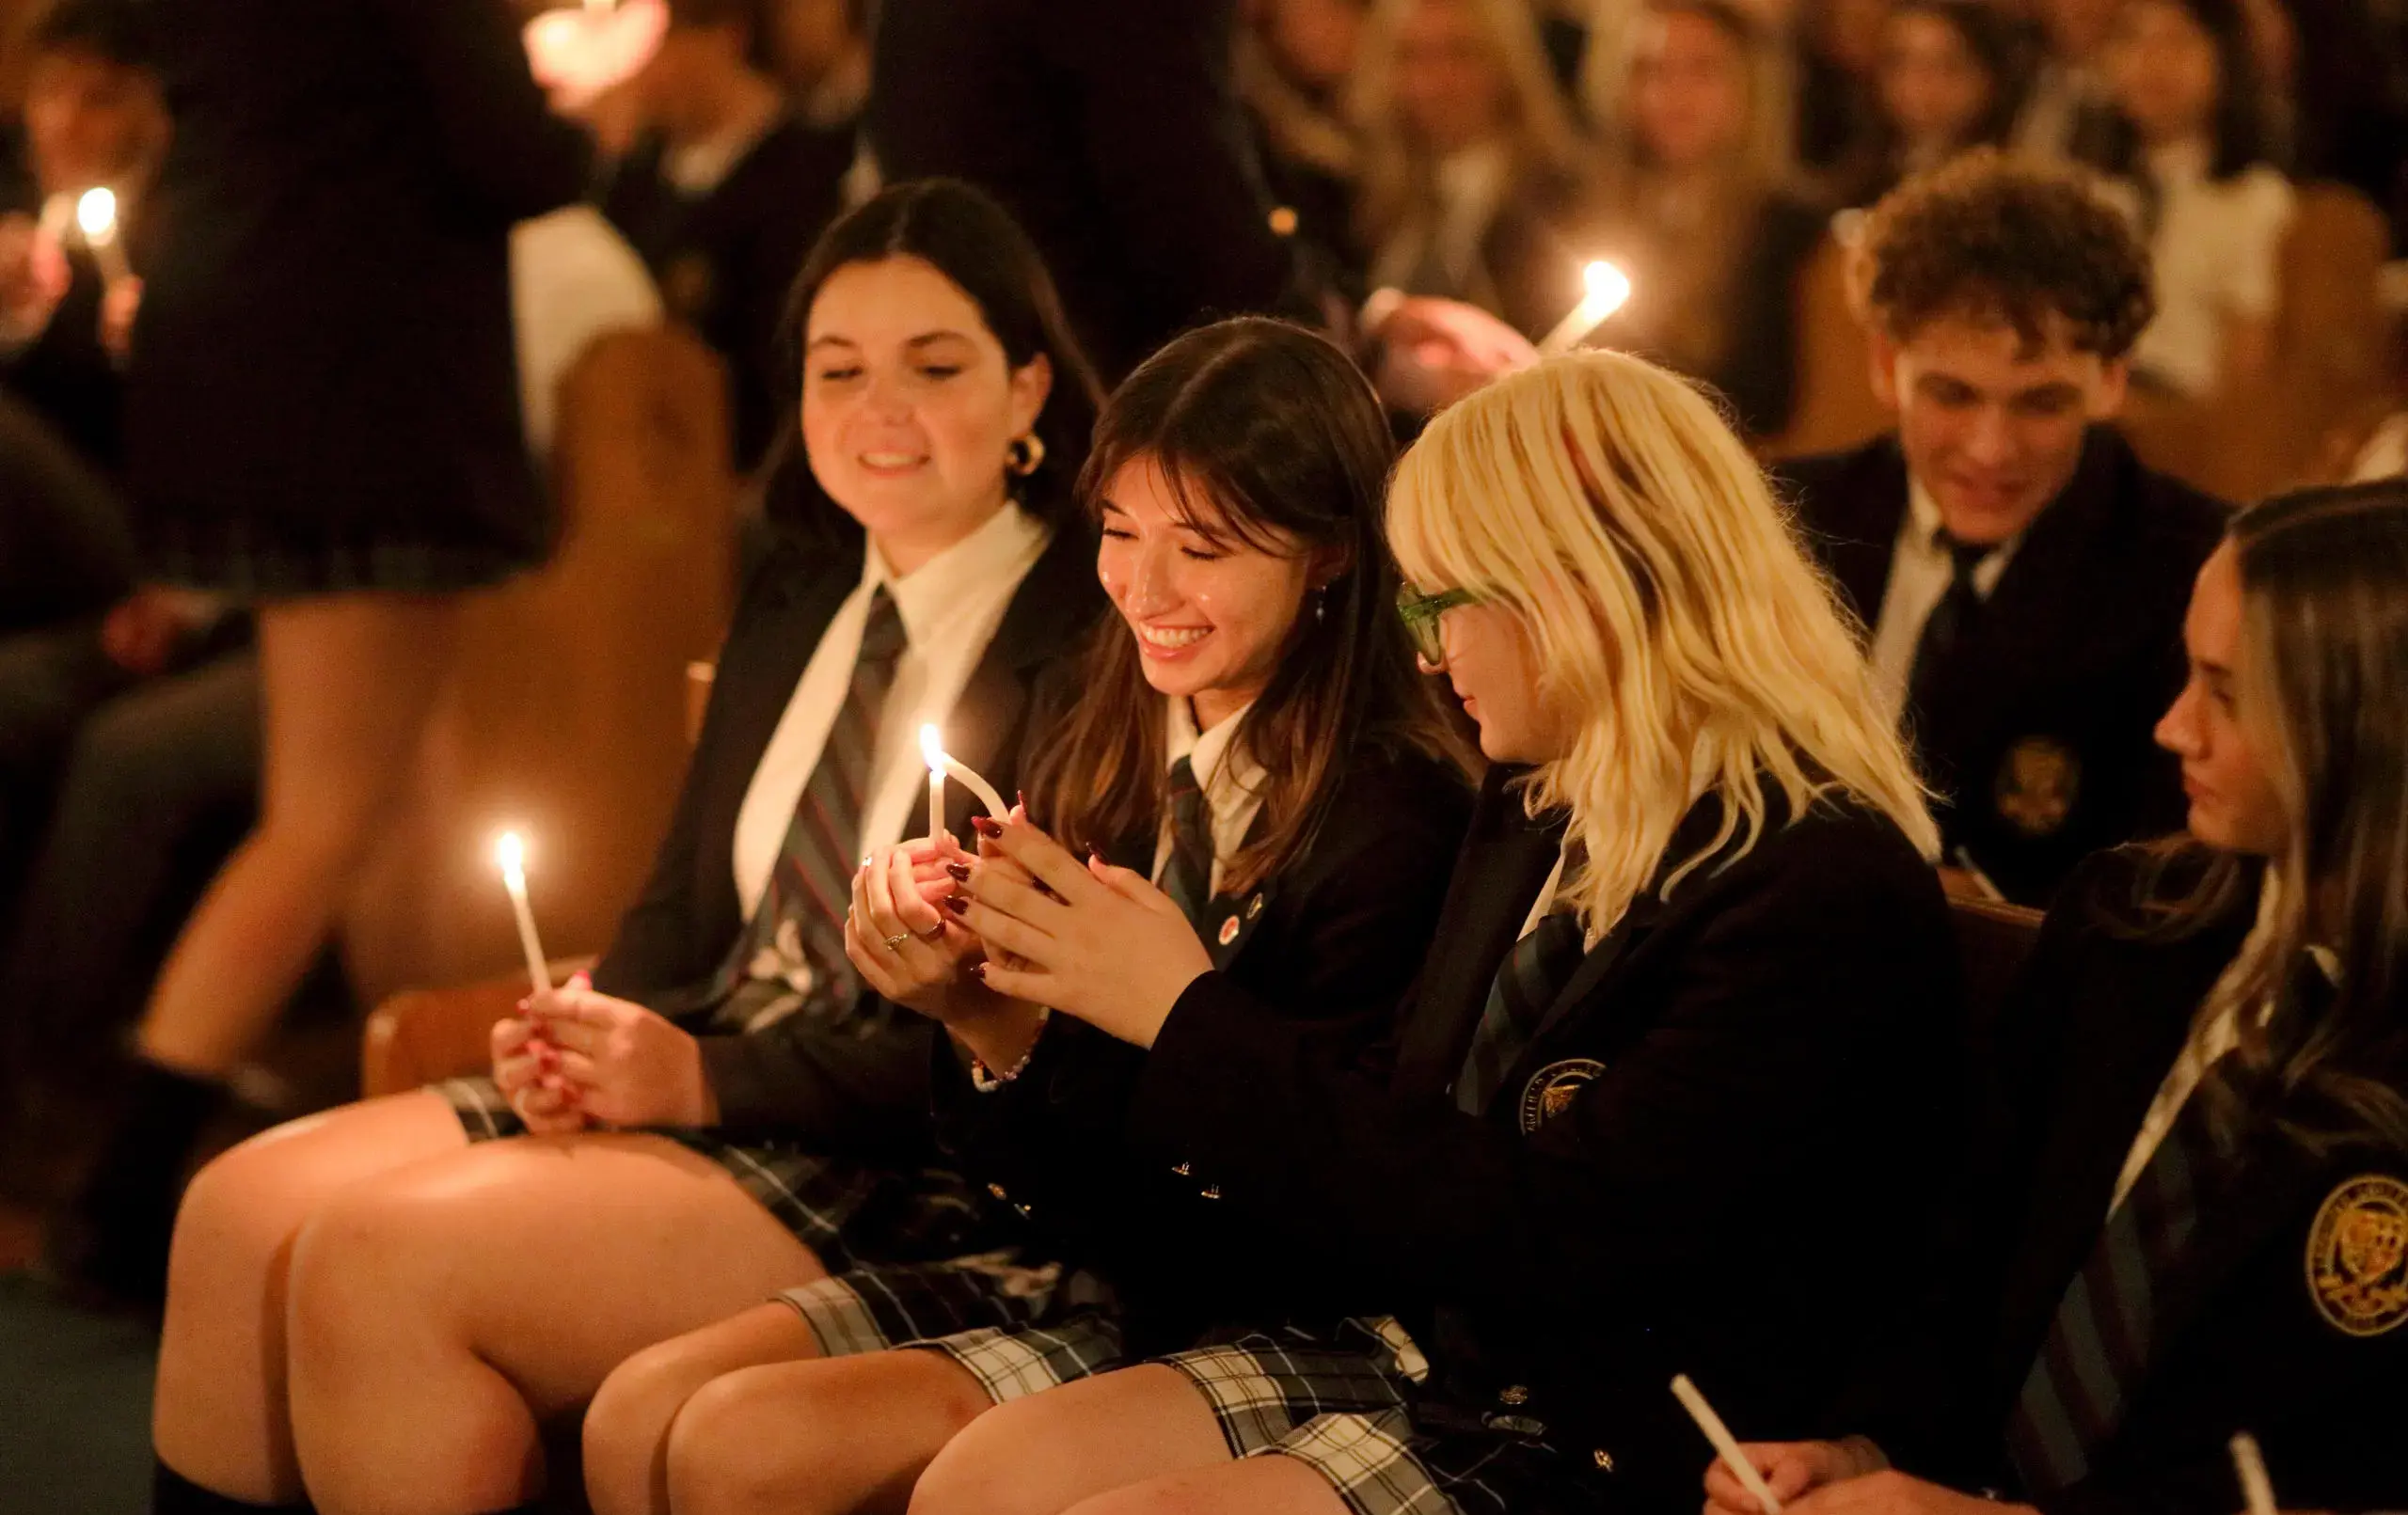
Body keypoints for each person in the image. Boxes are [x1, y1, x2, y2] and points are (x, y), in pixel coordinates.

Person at [145, 180, 1106, 1515]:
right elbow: (681, 905)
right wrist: (585, 1033)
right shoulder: (803, 583)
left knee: (373, 1263)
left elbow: (1020, 1040)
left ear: (1028, 389)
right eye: (839, 370)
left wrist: (699, 1077)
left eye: (933, 367)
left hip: (909, 1145)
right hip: (710, 1062)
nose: (879, 409)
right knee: (235, 1209)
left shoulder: (1092, 636)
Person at [911, 349, 1961, 1515]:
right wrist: (1014, 1018)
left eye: (1446, 603)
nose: (1423, 653)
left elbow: (1554, 1235)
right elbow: (1393, 1123)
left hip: (1609, 1434)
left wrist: (1180, 1011)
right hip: (1435, 1350)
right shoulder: (1536, 798)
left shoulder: (1812, 881)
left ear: (1589, 589)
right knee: (984, 1484)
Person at [575, 316, 1476, 1515]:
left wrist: (1146, 1011)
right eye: (1120, 531)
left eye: (1202, 546)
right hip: (1079, 1244)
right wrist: (969, 1009)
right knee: (643, 1413)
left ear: (1327, 554)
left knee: (748, 1446)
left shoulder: (1392, 817)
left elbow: (1300, 1215)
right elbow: (1032, 1168)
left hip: (1260, 1294)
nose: (1144, 589)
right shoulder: (1099, 730)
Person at [1707, 480, 2408, 1515]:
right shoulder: (2130, 923)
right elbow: (1967, 1249)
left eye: (2226, 694)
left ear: (2367, 729)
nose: (2172, 728)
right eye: (2186, 673)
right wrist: (1861, 1449)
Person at [43, 0, 600, 1304]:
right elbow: (520, 159)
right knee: (326, 818)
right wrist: (568, 80)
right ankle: (122, 1194)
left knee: (392, 798)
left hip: (244, 349)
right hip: (357, 385)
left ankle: (420, 1126)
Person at [1776, 151, 2225, 906]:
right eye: (1952, 395)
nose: (1990, 449)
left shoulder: (2191, 572)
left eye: (2041, 403)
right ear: (1886, 364)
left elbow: (2173, 881)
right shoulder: (1784, 520)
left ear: (2111, 379)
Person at [866, 0, 1536, 411]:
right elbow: (1198, 242)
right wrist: (1381, 364)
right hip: (1105, 421)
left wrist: (1373, 314)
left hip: (973, 391)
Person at [598, 0, 857, 470]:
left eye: (665, 43)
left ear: (724, 38)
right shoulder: (637, 175)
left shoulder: (803, 173)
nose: (649, 70)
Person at [1570, 0, 1827, 437]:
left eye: (1702, 70)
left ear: (1750, 84)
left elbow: (1776, 407)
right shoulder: (1585, 212)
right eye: (1651, 69)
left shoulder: (1789, 232)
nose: (1675, 93)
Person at [2089, 0, 2293, 402]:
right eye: (2133, 41)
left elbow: (2245, 376)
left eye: (2177, 41)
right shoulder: (2096, 191)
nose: (2152, 62)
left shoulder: (2253, 199)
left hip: (2179, 410)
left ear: (2226, 59)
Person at [1346, 0, 1587, 340]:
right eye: (1411, 56)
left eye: (1458, 55)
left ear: (1505, 64)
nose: (1432, 83)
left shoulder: (1558, 198)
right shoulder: (1373, 193)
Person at [1833, 0, 2031, 206]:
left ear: (1988, 77)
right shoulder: (1857, 184)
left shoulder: (2012, 191)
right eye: (1901, 63)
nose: (1919, 83)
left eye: (1947, 66)